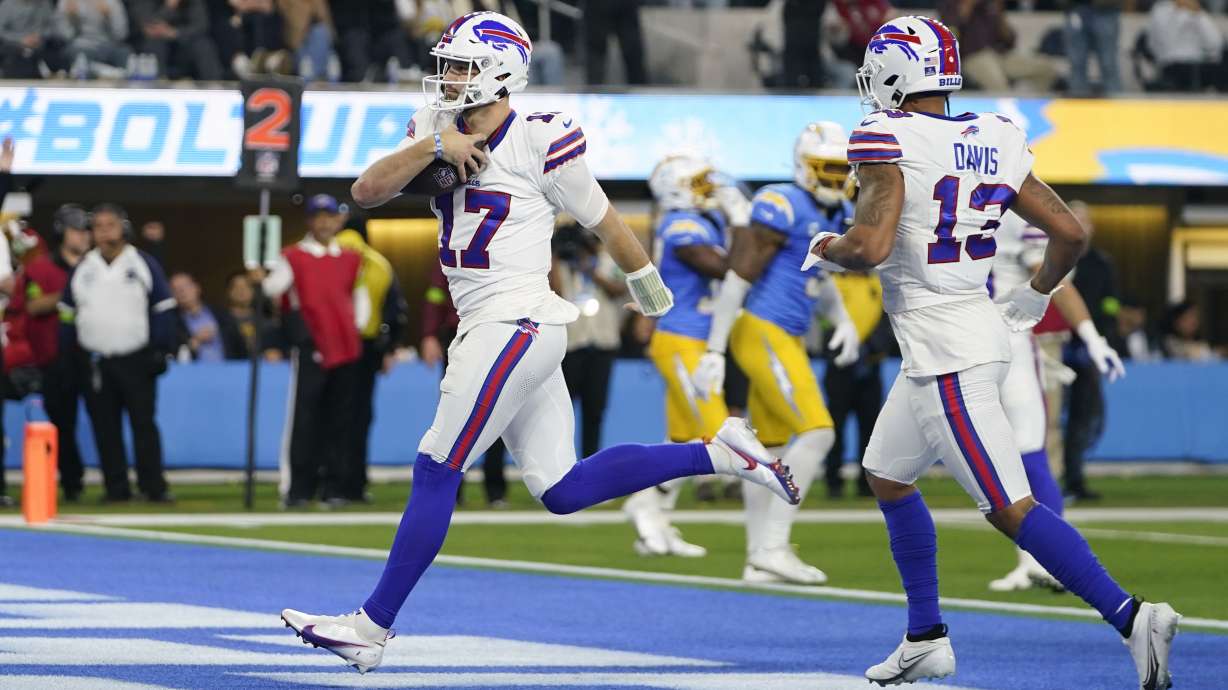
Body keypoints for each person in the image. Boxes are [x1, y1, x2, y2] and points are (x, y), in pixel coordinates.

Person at [280, 11, 799, 672]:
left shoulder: (539, 137)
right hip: (497, 323)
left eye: (462, 66)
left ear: (499, 70)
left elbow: (606, 220)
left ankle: (373, 626)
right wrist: (436, 145)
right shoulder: (431, 129)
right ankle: (720, 454)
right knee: (560, 488)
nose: (448, 78)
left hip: (515, 319)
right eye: (447, 66)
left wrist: (651, 295)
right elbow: (366, 190)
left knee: (437, 466)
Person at [812, 16, 1179, 686]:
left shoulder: (885, 134)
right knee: (887, 475)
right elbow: (1067, 233)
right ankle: (926, 637)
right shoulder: (994, 136)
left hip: (948, 352)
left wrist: (826, 249)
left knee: (1010, 507)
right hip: (960, 335)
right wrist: (1037, 295)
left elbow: (868, 247)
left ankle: (1133, 616)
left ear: (898, 72)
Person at [692, 122, 859, 585]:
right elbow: (739, 278)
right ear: (803, 169)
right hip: (763, 329)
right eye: (826, 169)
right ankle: (774, 548)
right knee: (819, 433)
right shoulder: (780, 202)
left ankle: (755, 558)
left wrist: (841, 318)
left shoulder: (837, 208)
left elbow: (819, 276)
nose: (834, 179)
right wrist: (714, 349)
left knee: (772, 450)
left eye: (840, 170)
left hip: (782, 331)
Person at [986, 211, 1125, 592]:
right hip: (958, 344)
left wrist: (1092, 337)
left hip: (1006, 341)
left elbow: (1056, 279)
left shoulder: (1010, 210)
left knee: (1028, 455)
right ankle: (1040, 562)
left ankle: (1043, 562)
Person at [624, 155, 731, 558]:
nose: (709, 190)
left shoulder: (700, 222)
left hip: (695, 342)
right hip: (682, 340)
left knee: (682, 440)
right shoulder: (682, 225)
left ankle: (652, 514)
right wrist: (744, 225)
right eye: (699, 183)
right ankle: (645, 505)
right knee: (721, 437)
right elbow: (725, 268)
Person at [60, 203, 175, 504]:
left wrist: (160, 349)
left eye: (109, 225)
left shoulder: (141, 263)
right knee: (105, 427)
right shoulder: (84, 268)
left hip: (136, 358)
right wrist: (69, 352)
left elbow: (163, 308)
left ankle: (154, 486)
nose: (103, 231)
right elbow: (67, 313)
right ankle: (116, 488)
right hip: (96, 359)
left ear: (123, 227)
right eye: (97, 226)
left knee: (143, 424)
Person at [261, 194, 363, 507]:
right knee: (305, 420)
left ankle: (334, 487)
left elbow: (358, 298)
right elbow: (272, 289)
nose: (323, 222)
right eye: (317, 216)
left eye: (328, 216)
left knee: (340, 420)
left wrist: (356, 328)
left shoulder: (350, 257)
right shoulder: (292, 256)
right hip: (311, 346)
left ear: (338, 220)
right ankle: (298, 489)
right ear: (310, 221)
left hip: (345, 346)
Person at [420, 258, 509, 507]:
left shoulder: (499, 248)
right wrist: (429, 334)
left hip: (496, 332)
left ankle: (495, 489)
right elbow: (435, 294)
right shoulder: (451, 249)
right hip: (459, 334)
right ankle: (453, 490)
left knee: (497, 409)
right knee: (455, 412)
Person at [336, 227, 408, 502]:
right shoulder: (379, 262)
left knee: (332, 416)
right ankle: (354, 484)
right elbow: (396, 309)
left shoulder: (332, 256)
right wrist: (389, 347)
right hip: (368, 347)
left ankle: (330, 484)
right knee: (360, 416)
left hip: (334, 345)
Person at [25, 204, 92, 501]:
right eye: (78, 230)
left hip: (94, 353)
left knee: (107, 420)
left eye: (86, 231)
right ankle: (71, 482)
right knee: (63, 422)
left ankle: (120, 486)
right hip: (55, 356)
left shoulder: (97, 265)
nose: (84, 237)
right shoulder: (40, 269)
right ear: (62, 233)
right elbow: (32, 305)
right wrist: (68, 296)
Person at [554, 224, 625, 458]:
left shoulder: (607, 261)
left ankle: (591, 465)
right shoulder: (561, 264)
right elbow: (555, 293)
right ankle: (561, 467)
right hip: (571, 345)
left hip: (602, 345)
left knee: (595, 411)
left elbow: (618, 289)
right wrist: (556, 255)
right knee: (563, 412)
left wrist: (591, 270)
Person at [1064, 200, 1117, 502]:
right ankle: (1039, 478)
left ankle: (1074, 479)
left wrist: (1102, 337)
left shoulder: (1102, 264)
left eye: (1084, 220)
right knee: (1045, 420)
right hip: (1055, 346)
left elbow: (1111, 303)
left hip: (1088, 348)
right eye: (1075, 219)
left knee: (1083, 419)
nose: (1081, 226)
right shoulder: (1053, 255)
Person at [821, 269, 888, 499]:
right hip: (840, 366)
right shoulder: (835, 283)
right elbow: (825, 318)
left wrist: (875, 347)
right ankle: (833, 482)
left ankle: (866, 483)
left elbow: (887, 319)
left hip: (870, 364)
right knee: (834, 426)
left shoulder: (877, 284)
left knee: (870, 429)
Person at [939, 0, 1056, 93]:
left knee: (1046, 70)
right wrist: (968, 5)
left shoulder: (991, 4)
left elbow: (1009, 40)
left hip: (1001, 55)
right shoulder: (951, 3)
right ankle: (1007, 118)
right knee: (999, 85)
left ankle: (1029, 108)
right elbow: (950, 36)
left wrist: (1000, 14)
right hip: (973, 56)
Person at [130, 0, 223, 80]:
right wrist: (169, 7)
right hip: (155, 41)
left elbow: (201, 25)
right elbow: (148, 24)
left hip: (183, 41)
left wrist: (174, 33)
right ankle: (158, 85)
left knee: (203, 44)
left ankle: (214, 84)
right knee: (154, 44)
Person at [1146, 0, 1223, 92]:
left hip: (1195, 67)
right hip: (1174, 68)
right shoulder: (1160, 10)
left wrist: (1197, 15)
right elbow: (1155, 45)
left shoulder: (1197, 11)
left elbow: (1215, 43)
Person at [1061, 0, 1122, 95]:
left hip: (1106, 11)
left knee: (1108, 65)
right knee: (1077, 65)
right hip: (1075, 9)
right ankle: (1078, 107)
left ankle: (1116, 107)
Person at [53, 0, 131, 74]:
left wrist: (109, 16)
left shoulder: (112, 2)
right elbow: (64, 36)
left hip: (108, 45)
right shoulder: (66, 2)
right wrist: (71, 18)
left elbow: (121, 35)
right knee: (78, 55)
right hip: (80, 45)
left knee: (124, 52)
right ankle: (101, 73)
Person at [170, 271, 225, 362]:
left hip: (229, 371)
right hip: (192, 373)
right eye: (175, 289)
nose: (181, 291)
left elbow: (237, 347)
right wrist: (194, 342)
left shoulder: (221, 315)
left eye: (185, 286)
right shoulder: (171, 322)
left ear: (197, 288)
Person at [0, 0, 55, 78]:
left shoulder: (44, 3)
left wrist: (39, 36)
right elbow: (1, 31)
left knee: (53, 46)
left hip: (39, 42)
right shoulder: (7, 4)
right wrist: (20, 39)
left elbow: (52, 26)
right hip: (13, 44)